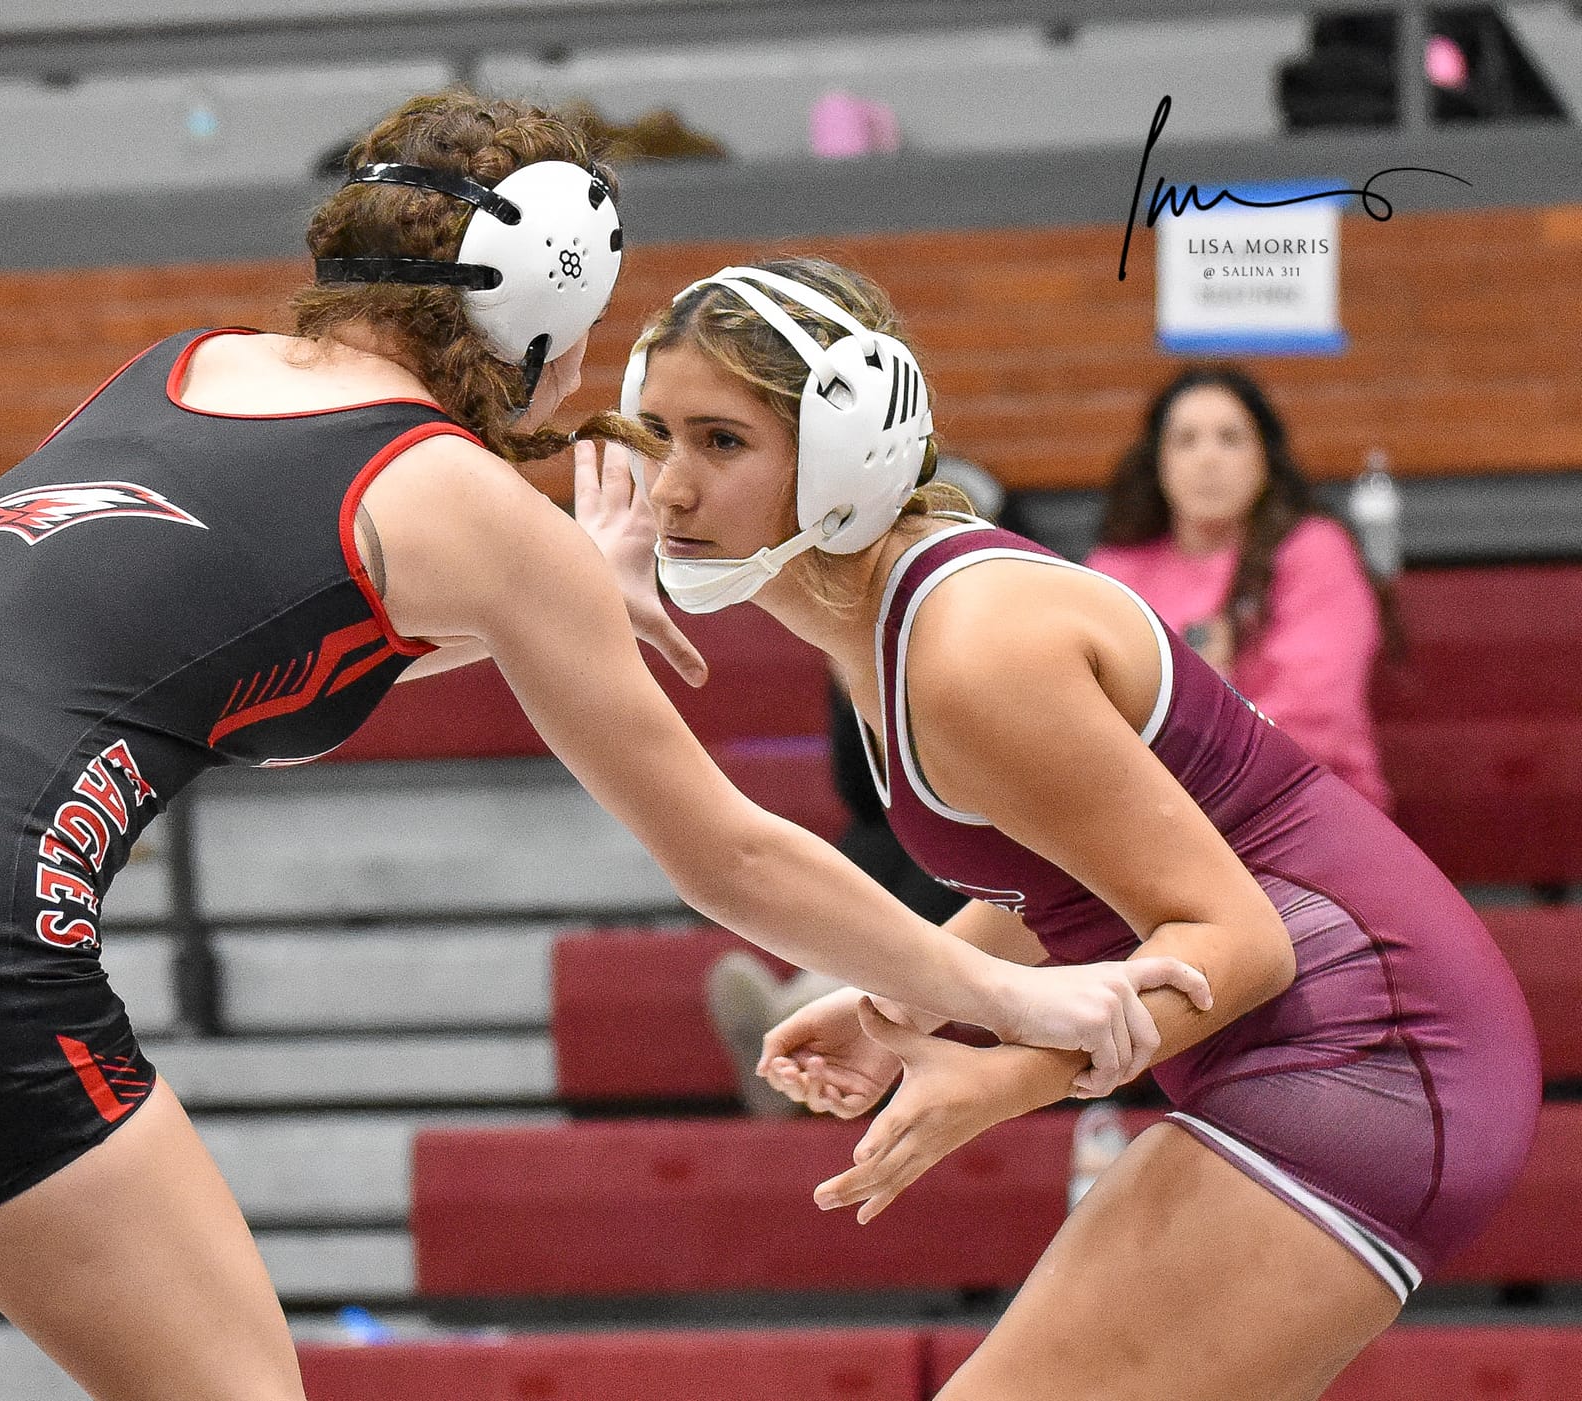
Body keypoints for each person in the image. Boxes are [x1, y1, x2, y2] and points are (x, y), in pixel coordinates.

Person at [0, 96, 1204, 1401]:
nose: (577, 383)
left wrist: (550, 598)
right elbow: (726, 852)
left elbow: (236, 652)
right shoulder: (454, 487)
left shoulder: (178, 366)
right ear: (533, 309)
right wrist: (1009, 993)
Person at [590, 255, 1539, 1400]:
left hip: (1369, 1050)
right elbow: (1061, 878)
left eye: (719, 441)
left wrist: (997, 1081)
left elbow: (1239, 942)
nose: (668, 489)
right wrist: (910, 998)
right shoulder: (893, 628)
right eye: (655, 435)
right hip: (1350, 1041)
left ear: (845, 451)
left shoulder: (968, 650)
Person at [1085, 366, 1394, 812]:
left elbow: (1317, 719)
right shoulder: (1114, 567)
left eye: (1230, 439)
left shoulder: (1314, 550)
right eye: (1185, 440)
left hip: (1304, 812)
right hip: (1152, 818)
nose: (1207, 458)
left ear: (1264, 458)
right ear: (1158, 463)